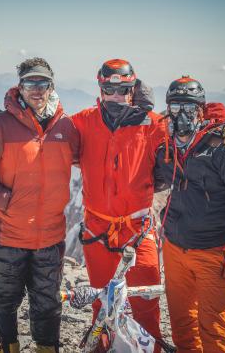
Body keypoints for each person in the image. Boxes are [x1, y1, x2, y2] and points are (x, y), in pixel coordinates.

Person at [0, 57, 79, 353]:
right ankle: (9, 347)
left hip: (50, 236)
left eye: (43, 83)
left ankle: (46, 348)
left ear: (51, 86)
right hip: (9, 233)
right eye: (30, 83)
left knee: (48, 300)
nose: (37, 90)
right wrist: (5, 201)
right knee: (5, 297)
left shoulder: (67, 127)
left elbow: (89, 159)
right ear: (20, 86)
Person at [154, 76, 225, 353]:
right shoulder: (166, 147)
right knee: (181, 321)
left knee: (212, 325)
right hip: (174, 247)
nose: (181, 116)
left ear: (201, 110)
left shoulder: (223, 146)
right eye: (175, 109)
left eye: (188, 109)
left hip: (213, 250)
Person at [71, 59, 166, 349]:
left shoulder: (153, 124)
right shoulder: (83, 122)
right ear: (100, 89)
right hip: (98, 229)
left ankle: (150, 347)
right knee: (102, 303)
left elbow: (180, 151)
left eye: (123, 89)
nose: (115, 96)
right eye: (109, 89)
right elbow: (54, 142)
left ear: (132, 89)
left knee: (145, 302)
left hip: (137, 228)